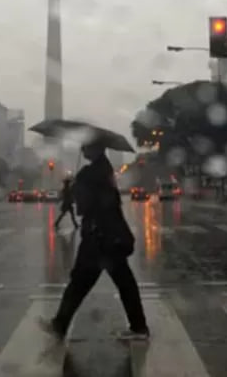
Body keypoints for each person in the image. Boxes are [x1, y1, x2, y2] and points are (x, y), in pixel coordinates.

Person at [38, 139, 149, 341]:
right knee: (119, 282)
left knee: (82, 282)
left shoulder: (91, 173)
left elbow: (84, 206)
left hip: (99, 237)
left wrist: (73, 187)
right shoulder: (103, 169)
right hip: (108, 235)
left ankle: (60, 324)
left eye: (86, 146)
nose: (83, 149)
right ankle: (138, 326)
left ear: (96, 148)